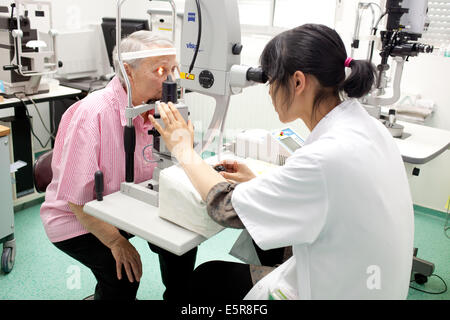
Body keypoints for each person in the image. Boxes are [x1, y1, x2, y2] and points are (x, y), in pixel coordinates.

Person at [148, 24, 414, 300]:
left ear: (298, 82)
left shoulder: (324, 158)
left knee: (207, 278)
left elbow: (225, 209)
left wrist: (184, 150)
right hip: (372, 282)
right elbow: (331, 197)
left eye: (272, 80)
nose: (269, 90)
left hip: (335, 289)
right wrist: (259, 183)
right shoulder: (367, 128)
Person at [40, 30, 197, 300]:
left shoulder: (155, 107)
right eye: (160, 69)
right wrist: (115, 241)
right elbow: (77, 200)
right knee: (123, 275)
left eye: (174, 69)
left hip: (128, 206)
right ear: (128, 72)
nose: (171, 79)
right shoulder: (93, 114)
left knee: (181, 245)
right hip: (79, 218)